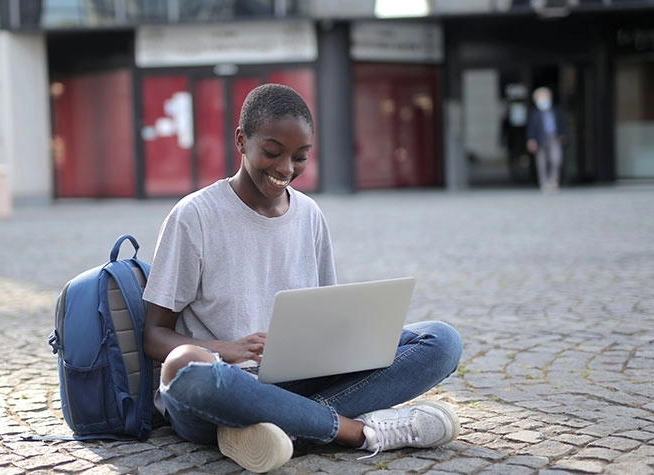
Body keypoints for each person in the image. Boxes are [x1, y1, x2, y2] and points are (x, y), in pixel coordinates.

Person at [142, 83, 463, 473]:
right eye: (273, 153)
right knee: (183, 363)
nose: (285, 169)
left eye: (300, 157)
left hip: (295, 380)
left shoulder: (310, 216)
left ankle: (278, 430)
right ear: (241, 140)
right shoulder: (194, 217)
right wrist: (229, 349)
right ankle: (359, 432)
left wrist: (351, 338)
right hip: (221, 390)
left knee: (442, 340)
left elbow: (325, 316)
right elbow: (155, 336)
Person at [526, 87, 568, 192]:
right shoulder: (534, 114)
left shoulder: (556, 111)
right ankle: (544, 183)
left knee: (556, 160)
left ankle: (553, 181)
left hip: (554, 138)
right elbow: (531, 128)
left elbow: (563, 125)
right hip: (540, 139)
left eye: (545, 97)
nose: (544, 100)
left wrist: (563, 135)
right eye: (541, 98)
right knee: (541, 162)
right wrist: (531, 140)